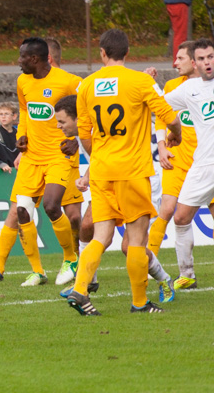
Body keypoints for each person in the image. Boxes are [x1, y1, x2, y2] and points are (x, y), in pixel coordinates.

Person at [66, 29, 181, 316]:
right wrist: (174, 136)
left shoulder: (86, 86)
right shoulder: (141, 81)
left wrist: (101, 156)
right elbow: (169, 117)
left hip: (102, 171)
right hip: (132, 170)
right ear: (127, 53)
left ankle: (80, 289)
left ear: (102, 53)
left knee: (101, 236)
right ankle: (140, 303)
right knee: (137, 239)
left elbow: (84, 134)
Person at [0, 38, 82, 288]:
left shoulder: (69, 81)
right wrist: (21, 135)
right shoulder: (22, 81)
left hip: (59, 156)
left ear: (35, 59)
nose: (18, 61)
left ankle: (71, 259)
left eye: (22, 57)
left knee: (51, 206)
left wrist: (78, 138)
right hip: (31, 158)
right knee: (22, 210)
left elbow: (89, 110)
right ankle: (37, 271)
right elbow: (25, 111)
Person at [54, 95, 174, 300]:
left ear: (78, 118)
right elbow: (101, 157)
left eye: (62, 122)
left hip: (135, 180)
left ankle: (164, 280)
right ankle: (86, 283)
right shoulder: (82, 133)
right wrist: (86, 176)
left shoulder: (99, 129)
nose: (58, 127)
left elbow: (111, 153)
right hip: (108, 180)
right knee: (86, 227)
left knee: (129, 247)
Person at [159, 38, 214, 295]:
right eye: (202, 59)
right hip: (203, 165)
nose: (207, 62)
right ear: (195, 63)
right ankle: (187, 275)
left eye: (211, 57)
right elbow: (160, 107)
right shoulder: (189, 89)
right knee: (180, 217)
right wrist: (171, 134)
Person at [149, 41, 198, 279]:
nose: (174, 63)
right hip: (176, 158)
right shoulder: (172, 85)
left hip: (204, 162)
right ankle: (148, 265)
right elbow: (161, 116)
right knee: (167, 209)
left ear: (195, 60)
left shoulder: (208, 87)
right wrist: (161, 147)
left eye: (180, 58)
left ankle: (187, 275)